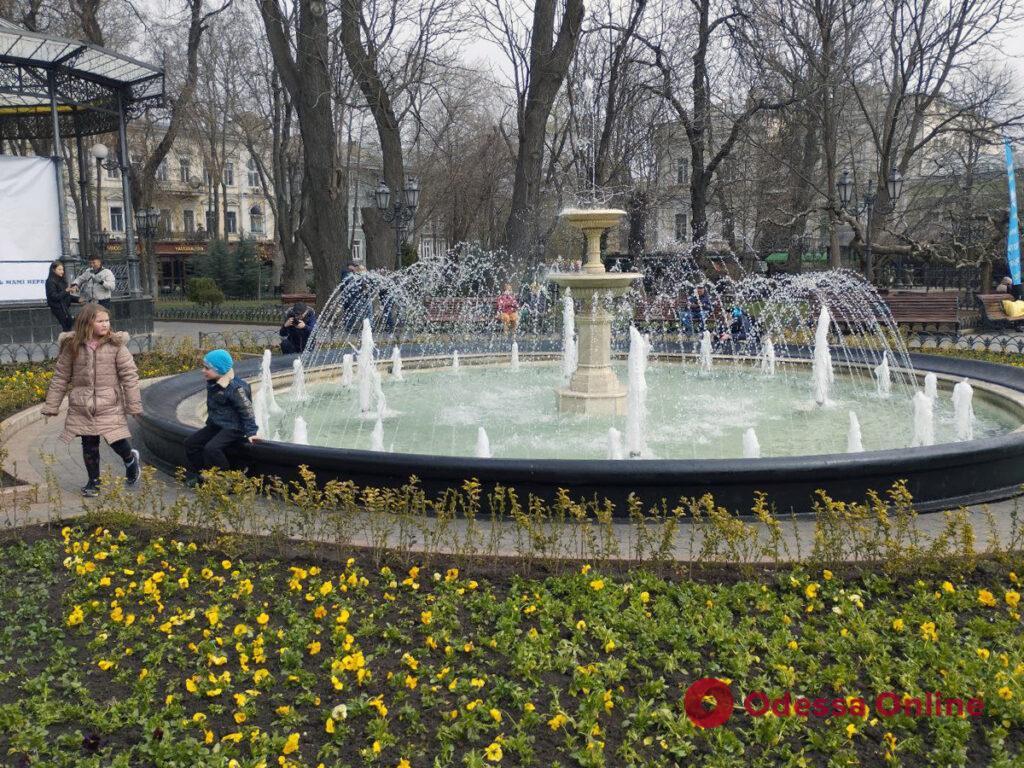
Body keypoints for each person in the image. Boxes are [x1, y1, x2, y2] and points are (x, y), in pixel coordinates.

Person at [40, 303, 143, 497]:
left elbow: (129, 376)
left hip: (108, 403)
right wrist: (52, 405)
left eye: (107, 320)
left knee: (116, 440)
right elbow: (61, 376)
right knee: (89, 443)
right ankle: (94, 481)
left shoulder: (116, 345)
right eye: (100, 321)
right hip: (82, 404)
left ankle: (130, 459)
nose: (105, 324)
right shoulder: (72, 347)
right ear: (87, 323)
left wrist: (134, 405)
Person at [184, 349, 259, 482]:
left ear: (219, 370)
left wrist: (252, 432)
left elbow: (246, 410)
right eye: (204, 367)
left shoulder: (235, 388)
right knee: (191, 443)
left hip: (233, 428)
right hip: (217, 424)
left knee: (211, 448)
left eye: (207, 368)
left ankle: (227, 480)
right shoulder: (214, 382)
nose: (203, 371)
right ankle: (205, 475)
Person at [45, 260, 79, 332]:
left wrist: (78, 299)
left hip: (65, 307)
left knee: (69, 326)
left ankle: (68, 341)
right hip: (58, 308)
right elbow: (54, 296)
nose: (62, 271)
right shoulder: (50, 281)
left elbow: (66, 296)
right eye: (59, 269)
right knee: (67, 328)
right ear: (53, 270)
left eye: (62, 269)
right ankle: (66, 342)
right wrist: (66, 290)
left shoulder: (62, 280)